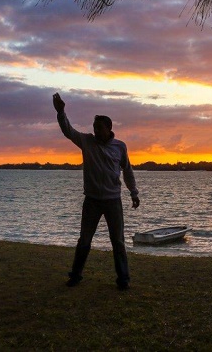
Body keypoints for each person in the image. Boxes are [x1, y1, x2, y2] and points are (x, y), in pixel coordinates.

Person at [52, 93, 140, 290]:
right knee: (84, 240)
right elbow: (68, 131)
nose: (95, 131)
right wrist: (61, 112)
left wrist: (134, 192)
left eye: (99, 128)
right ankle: (75, 275)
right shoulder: (87, 142)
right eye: (94, 128)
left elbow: (127, 169)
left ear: (109, 129)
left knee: (117, 242)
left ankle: (123, 279)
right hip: (91, 200)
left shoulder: (120, 147)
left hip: (113, 201)